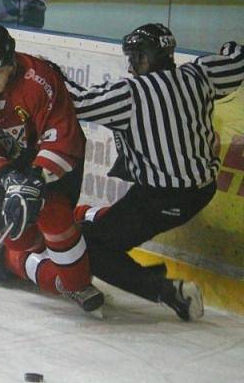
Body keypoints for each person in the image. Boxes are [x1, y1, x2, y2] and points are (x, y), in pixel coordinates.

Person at [56, 24, 244, 320]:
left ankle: (171, 293)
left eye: (137, 57)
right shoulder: (200, 75)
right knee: (98, 236)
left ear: (155, 55)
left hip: (163, 196)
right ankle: (162, 286)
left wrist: (44, 71)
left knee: (88, 247)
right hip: (200, 189)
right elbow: (237, 62)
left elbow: (77, 102)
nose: (131, 66)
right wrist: (230, 48)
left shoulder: (132, 94)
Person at [0, 163, 204, 321]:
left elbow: (60, 213)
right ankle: (65, 282)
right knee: (18, 250)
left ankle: (164, 291)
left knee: (67, 234)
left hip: (6, 231)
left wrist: (107, 216)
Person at [0, 24, 102, 313]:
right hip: (5, 162)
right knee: (12, 231)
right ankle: (56, 252)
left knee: (53, 214)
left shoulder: (38, 79)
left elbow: (62, 134)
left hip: (47, 154)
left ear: (11, 64)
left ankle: (78, 283)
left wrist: (37, 176)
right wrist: (6, 175)